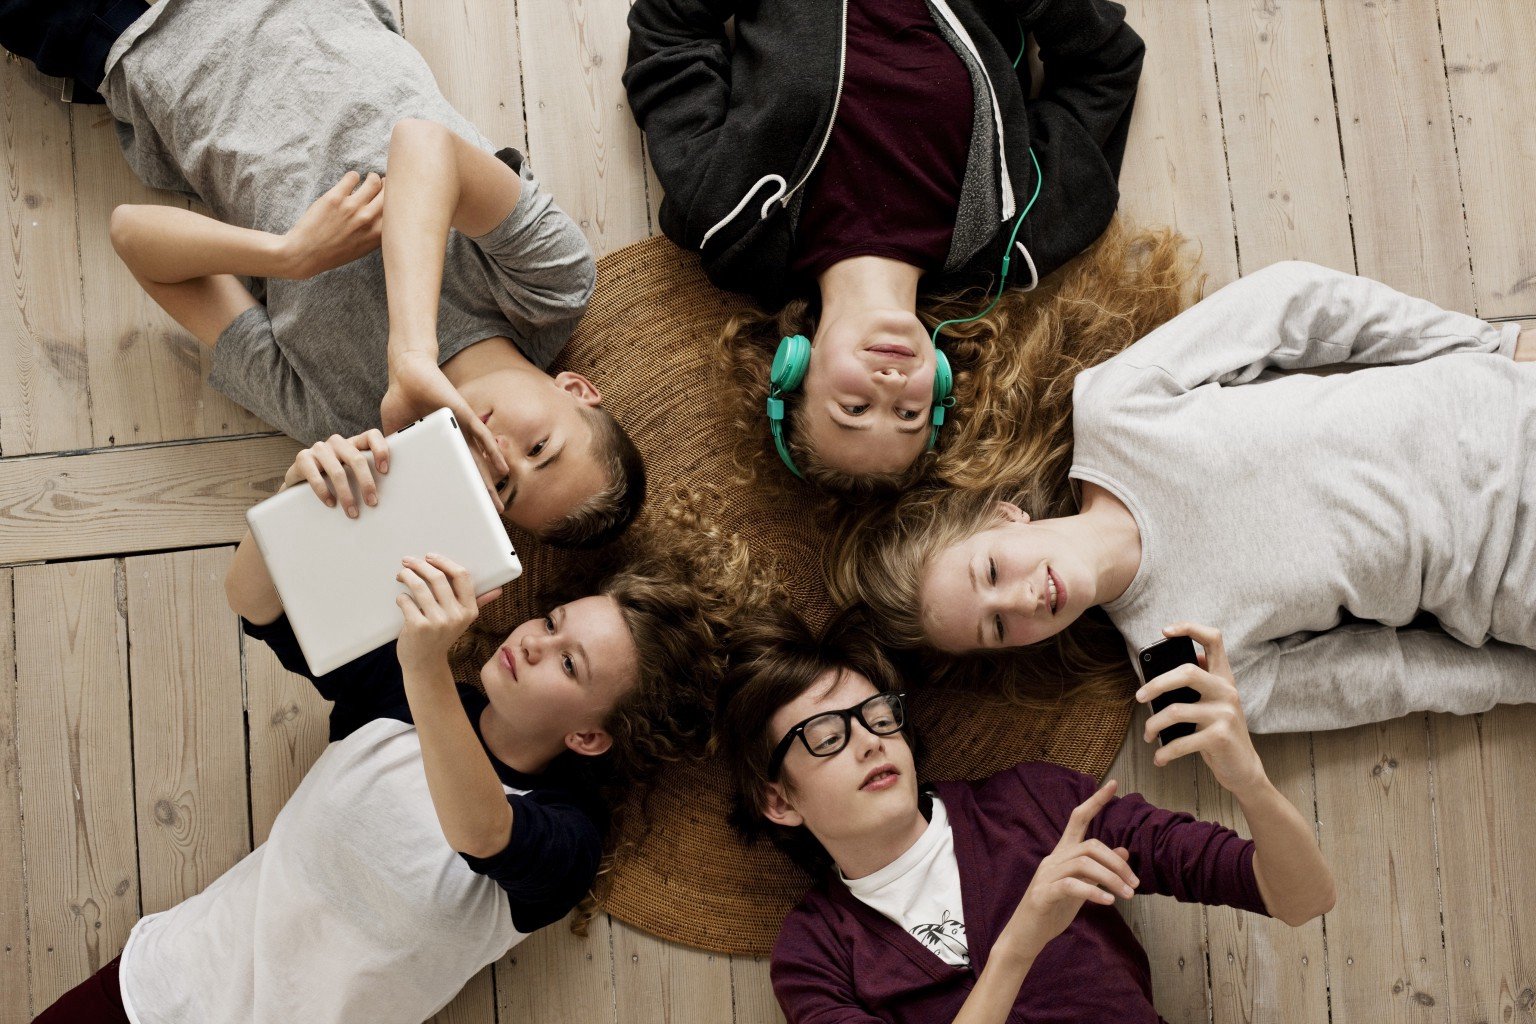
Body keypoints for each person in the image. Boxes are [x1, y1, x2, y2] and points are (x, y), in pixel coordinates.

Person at [30, 430, 724, 1023]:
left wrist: (425, 665)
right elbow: (257, 606)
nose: (535, 642)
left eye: (569, 663)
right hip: (154, 993)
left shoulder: (567, 835)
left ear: (588, 737)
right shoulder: (397, 689)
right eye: (551, 622)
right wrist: (291, 504)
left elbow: (484, 835)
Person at [2, 0, 644, 547]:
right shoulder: (550, 288)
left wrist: (288, 256)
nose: (499, 455)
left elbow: (132, 235)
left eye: (501, 487)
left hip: (128, 41)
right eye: (539, 450)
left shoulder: (342, 417)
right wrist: (411, 354)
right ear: (576, 390)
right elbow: (421, 143)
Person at [833, 261, 1536, 733]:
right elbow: (1388, 680)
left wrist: (1488, 343)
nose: (1020, 601)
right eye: (995, 628)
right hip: (1513, 581)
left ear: (1003, 515)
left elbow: (1293, 302)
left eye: (990, 571)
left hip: (1504, 407)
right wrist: (1523, 678)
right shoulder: (1182, 673)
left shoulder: (1115, 411)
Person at [714, 608, 1333, 1023]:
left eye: (878, 717)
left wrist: (1249, 780)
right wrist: (1022, 939)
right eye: (827, 736)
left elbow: (1304, 898)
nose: (870, 742)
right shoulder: (814, 952)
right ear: (780, 801)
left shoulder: (1038, 805)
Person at [625, 0, 1144, 494]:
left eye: (854, 408)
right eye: (908, 414)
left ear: (793, 369)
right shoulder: (1019, 237)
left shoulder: (728, 218)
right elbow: (1106, 67)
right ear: (941, 383)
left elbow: (668, 37)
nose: (890, 384)